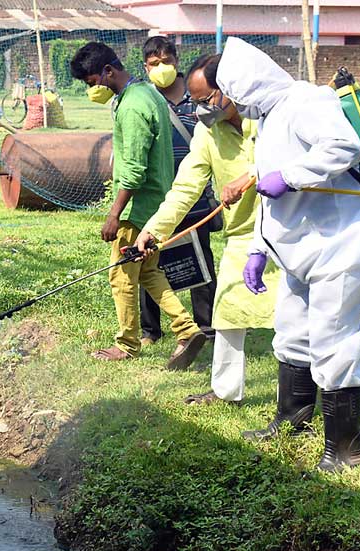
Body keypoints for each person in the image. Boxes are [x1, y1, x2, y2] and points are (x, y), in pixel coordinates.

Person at [218, 37, 360, 472]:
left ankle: (348, 449)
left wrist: (289, 175)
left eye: (230, 95)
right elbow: (271, 199)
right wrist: (258, 249)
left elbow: (345, 148)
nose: (230, 105)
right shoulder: (269, 119)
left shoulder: (307, 100)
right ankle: (292, 421)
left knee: (334, 342)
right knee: (291, 336)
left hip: (337, 244)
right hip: (297, 252)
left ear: (248, 84)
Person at [134, 53, 277, 405]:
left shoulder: (268, 118)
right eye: (195, 102)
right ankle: (226, 390)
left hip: (287, 230)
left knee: (296, 320)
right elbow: (186, 187)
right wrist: (155, 230)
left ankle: (314, 391)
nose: (200, 110)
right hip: (243, 233)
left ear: (229, 90)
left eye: (206, 100)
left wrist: (252, 175)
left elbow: (292, 161)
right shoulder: (206, 131)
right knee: (226, 308)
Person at [69, 41, 206, 370]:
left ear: (108, 71)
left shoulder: (132, 107)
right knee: (148, 272)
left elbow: (133, 170)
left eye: (92, 83)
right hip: (155, 204)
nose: (93, 90)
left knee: (120, 275)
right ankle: (187, 329)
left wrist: (114, 215)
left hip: (137, 209)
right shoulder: (148, 93)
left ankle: (127, 344)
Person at [139, 36, 218, 346]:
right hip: (158, 196)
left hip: (195, 195)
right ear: (145, 68)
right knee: (149, 259)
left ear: (176, 59)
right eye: (154, 64)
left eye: (166, 61)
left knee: (201, 261)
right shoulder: (144, 98)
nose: (162, 69)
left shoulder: (197, 95)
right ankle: (150, 331)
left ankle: (206, 326)